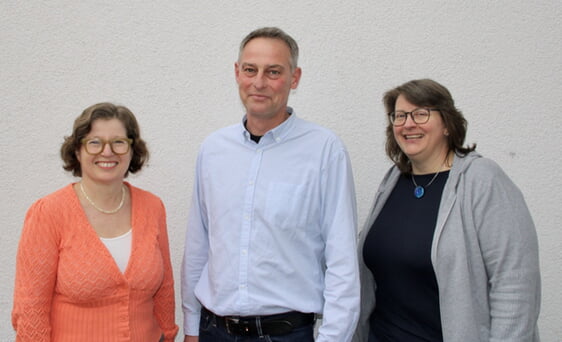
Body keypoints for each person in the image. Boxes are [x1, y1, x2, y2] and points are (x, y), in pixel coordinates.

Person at [181, 27, 360, 342]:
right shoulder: (213, 149)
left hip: (287, 334)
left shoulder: (324, 150)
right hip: (214, 332)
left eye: (273, 71)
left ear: (294, 78)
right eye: (250, 69)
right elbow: (199, 245)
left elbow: (342, 258)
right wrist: (192, 327)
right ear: (237, 73)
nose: (259, 82)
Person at [353, 79, 541, 342]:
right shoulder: (394, 180)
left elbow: (515, 284)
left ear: (447, 124)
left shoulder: (481, 180)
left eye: (421, 113)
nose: (408, 124)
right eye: (400, 116)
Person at [12, 103, 179, 341]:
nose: (107, 152)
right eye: (94, 142)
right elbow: (30, 308)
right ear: (78, 151)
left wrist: (169, 335)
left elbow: (165, 290)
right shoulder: (48, 213)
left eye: (119, 142)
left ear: (133, 150)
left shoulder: (152, 207)